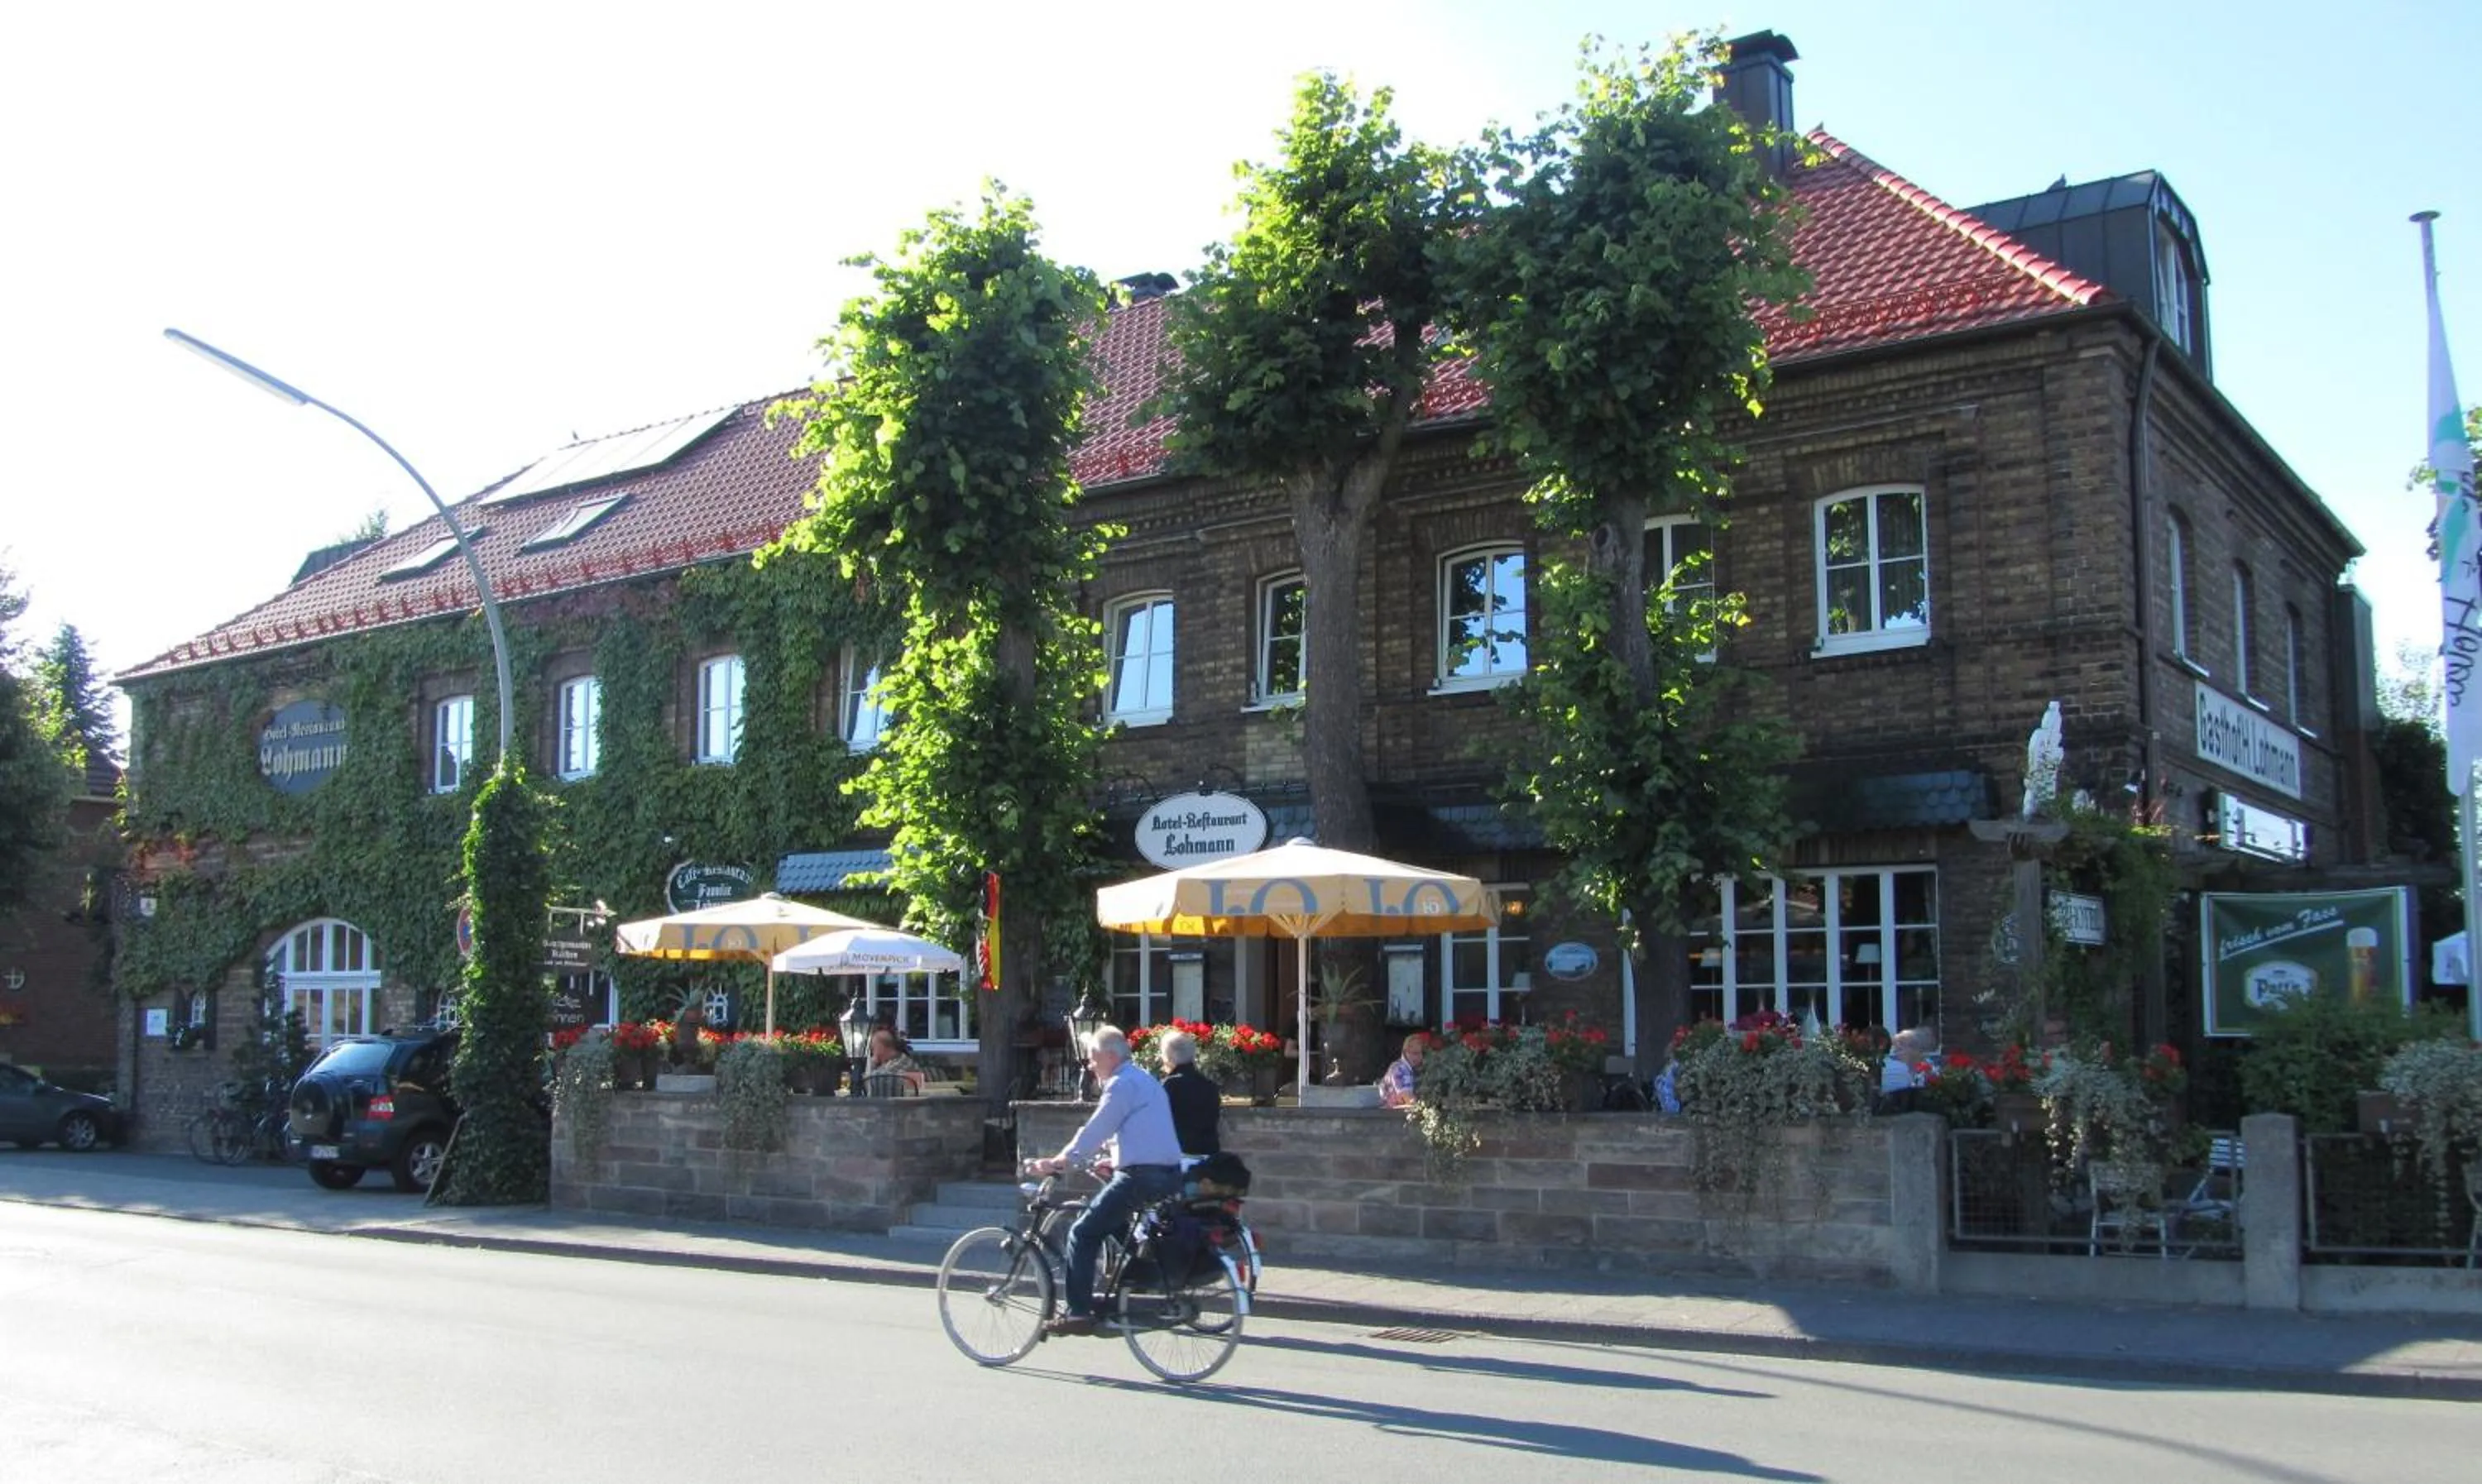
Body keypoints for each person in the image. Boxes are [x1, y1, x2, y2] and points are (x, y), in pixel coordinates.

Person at [1028, 1026, 1186, 1337]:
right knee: (1115, 1226)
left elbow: (1096, 1129)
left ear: (1110, 1056)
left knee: (1083, 1233)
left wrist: (1059, 1161)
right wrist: (1111, 1161)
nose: (1089, 1065)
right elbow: (1136, 1131)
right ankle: (1137, 1281)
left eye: (1092, 1058)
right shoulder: (1144, 1079)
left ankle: (1078, 1313)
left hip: (1141, 1177)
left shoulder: (1121, 1084)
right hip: (1166, 1174)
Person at [1157, 1028, 1221, 1156]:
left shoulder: (1169, 1086)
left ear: (1169, 1057)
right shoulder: (1210, 1086)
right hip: (1209, 1156)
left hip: (1179, 1155)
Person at [864, 1027, 925, 1095]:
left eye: (873, 1047)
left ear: (880, 1047)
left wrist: (871, 1064)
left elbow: (873, 1081)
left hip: (902, 1104)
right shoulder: (893, 1061)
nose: (872, 1051)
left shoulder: (902, 1063)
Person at [1378, 1032, 1427, 1108]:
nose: (1419, 1057)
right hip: (1393, 1115)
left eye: (1422, 1053)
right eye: (1415, 1053)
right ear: (1405, 1052)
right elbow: (1408, 1098)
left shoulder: (1412, 1068)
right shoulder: (1401, 1069)